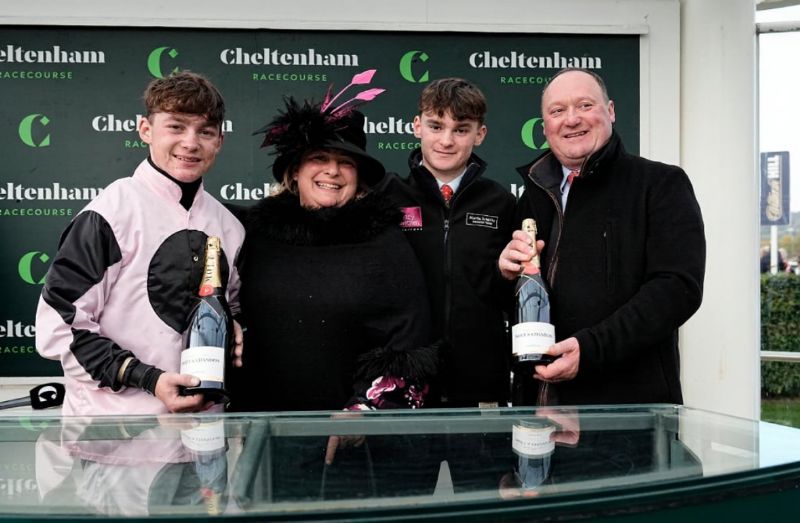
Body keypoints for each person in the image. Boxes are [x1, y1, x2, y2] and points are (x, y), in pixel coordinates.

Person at [35, 71, 245, 415]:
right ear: (145, 130)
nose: (191, 142)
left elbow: (234, 310)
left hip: (205, 438)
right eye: (176, 127)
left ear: (219, 141)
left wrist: (236, 326)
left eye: (205, 131)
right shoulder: (109, 213)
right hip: (115, 444)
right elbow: (59, 328)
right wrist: (147, 378)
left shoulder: (230, 227)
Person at [229, 70, 437, 416]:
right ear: (295, 170)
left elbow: (410, 342)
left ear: (359, 178)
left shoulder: (384, 241)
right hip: (262, 428)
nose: (332, 171)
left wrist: (363, 411)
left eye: (346, 163)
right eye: (319, 159)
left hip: (351, 439)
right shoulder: (255, 231)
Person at [498, 67, 706, 405]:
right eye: (557, 111)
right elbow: (519, 303)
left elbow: (677, 288)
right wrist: (505, 276)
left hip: (627, 414)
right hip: (538, 408)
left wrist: (592, 349)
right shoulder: (532, 197)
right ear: (544, 126)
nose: (571, 119)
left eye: (584, 105)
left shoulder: (660, 185)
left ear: (610, 111)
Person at [380, 77, 516, 408]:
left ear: (479, 134)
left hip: (481, 383)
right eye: (436, 125)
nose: (446, 140)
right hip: (403, 381)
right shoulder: (385, 197)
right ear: (416, 126)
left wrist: (505, 275)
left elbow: (513, 297)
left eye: (460, 129)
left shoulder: (501, 202)